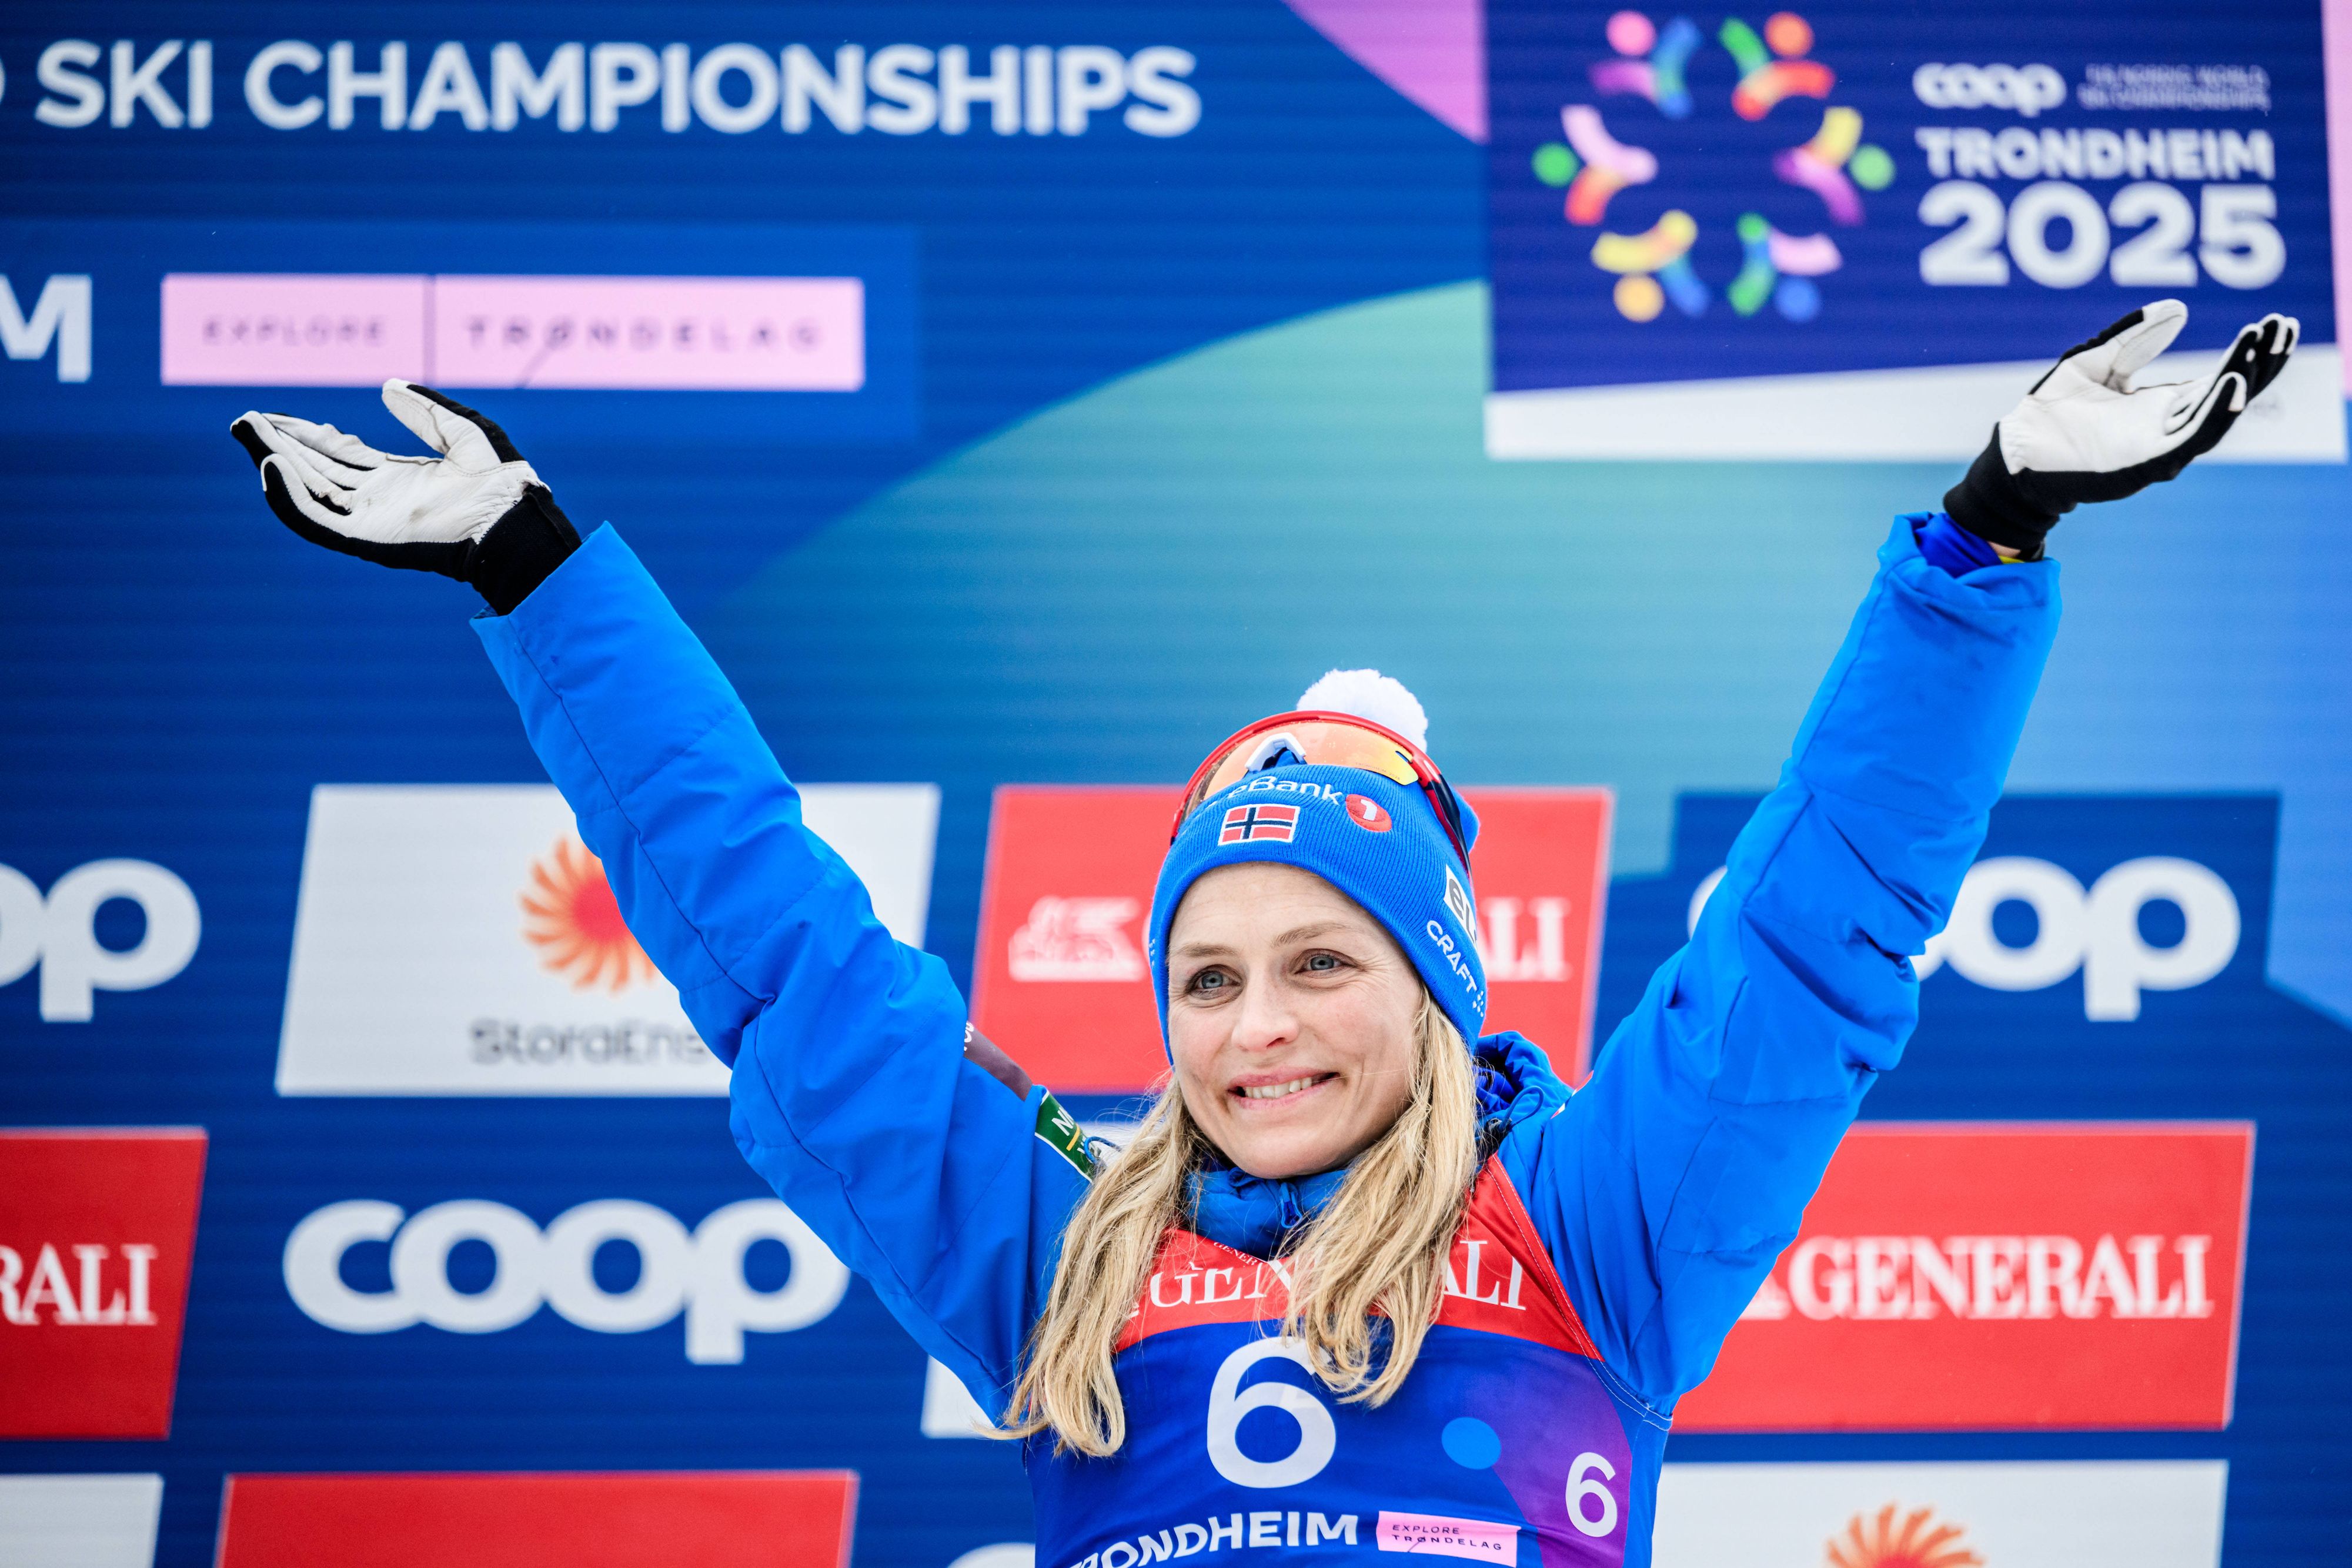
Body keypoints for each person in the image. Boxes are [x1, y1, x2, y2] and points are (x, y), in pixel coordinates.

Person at [230, 301, 2294, 1567]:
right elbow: (781, 952)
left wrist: (1989, 531)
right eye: (1206, 976)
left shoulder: (1595, 1229)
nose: (1257, 1029)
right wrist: (532, 567)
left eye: (1325, 962)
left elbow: (1823, 928)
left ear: (1437, 980)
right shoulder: (1065, 1255)